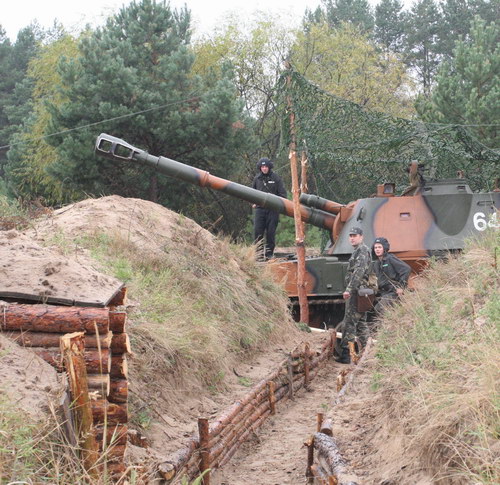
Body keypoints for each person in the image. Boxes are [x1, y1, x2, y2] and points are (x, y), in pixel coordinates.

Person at [334, 226, 372, 364]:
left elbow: (359, 272)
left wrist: (349, 289)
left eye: (355, 236)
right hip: (360, 291)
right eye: (350, 236)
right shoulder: (359, 250)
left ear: (361, 237)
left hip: (356, 292)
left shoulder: (362, 250)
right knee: (361, 323)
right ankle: (369, 353)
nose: (352, 238)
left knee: (349, 323)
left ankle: (346, 354)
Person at [252, 157, 287, 260]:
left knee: (271, 233)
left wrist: (278, 204)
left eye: (266, 166)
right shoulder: (257, 179)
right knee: (258, 232)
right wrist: (253, 202)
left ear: (269, 167)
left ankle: (269, 254)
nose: (264, 168)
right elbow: (252, 193)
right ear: (260, 168)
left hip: (272, 210)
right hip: (260, 210)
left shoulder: (276, 178)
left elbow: (283, 194)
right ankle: (258, 255)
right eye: (262, 167)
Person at [371, 237, 411, 315]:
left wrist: (401, 286)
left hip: (393, 292)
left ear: (384, 248)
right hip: (383, 292)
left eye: (379, 247)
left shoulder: (390, 259)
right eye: (375, 247)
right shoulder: (377, 263)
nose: (377, 249)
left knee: (380, 307)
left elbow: (406, 269)